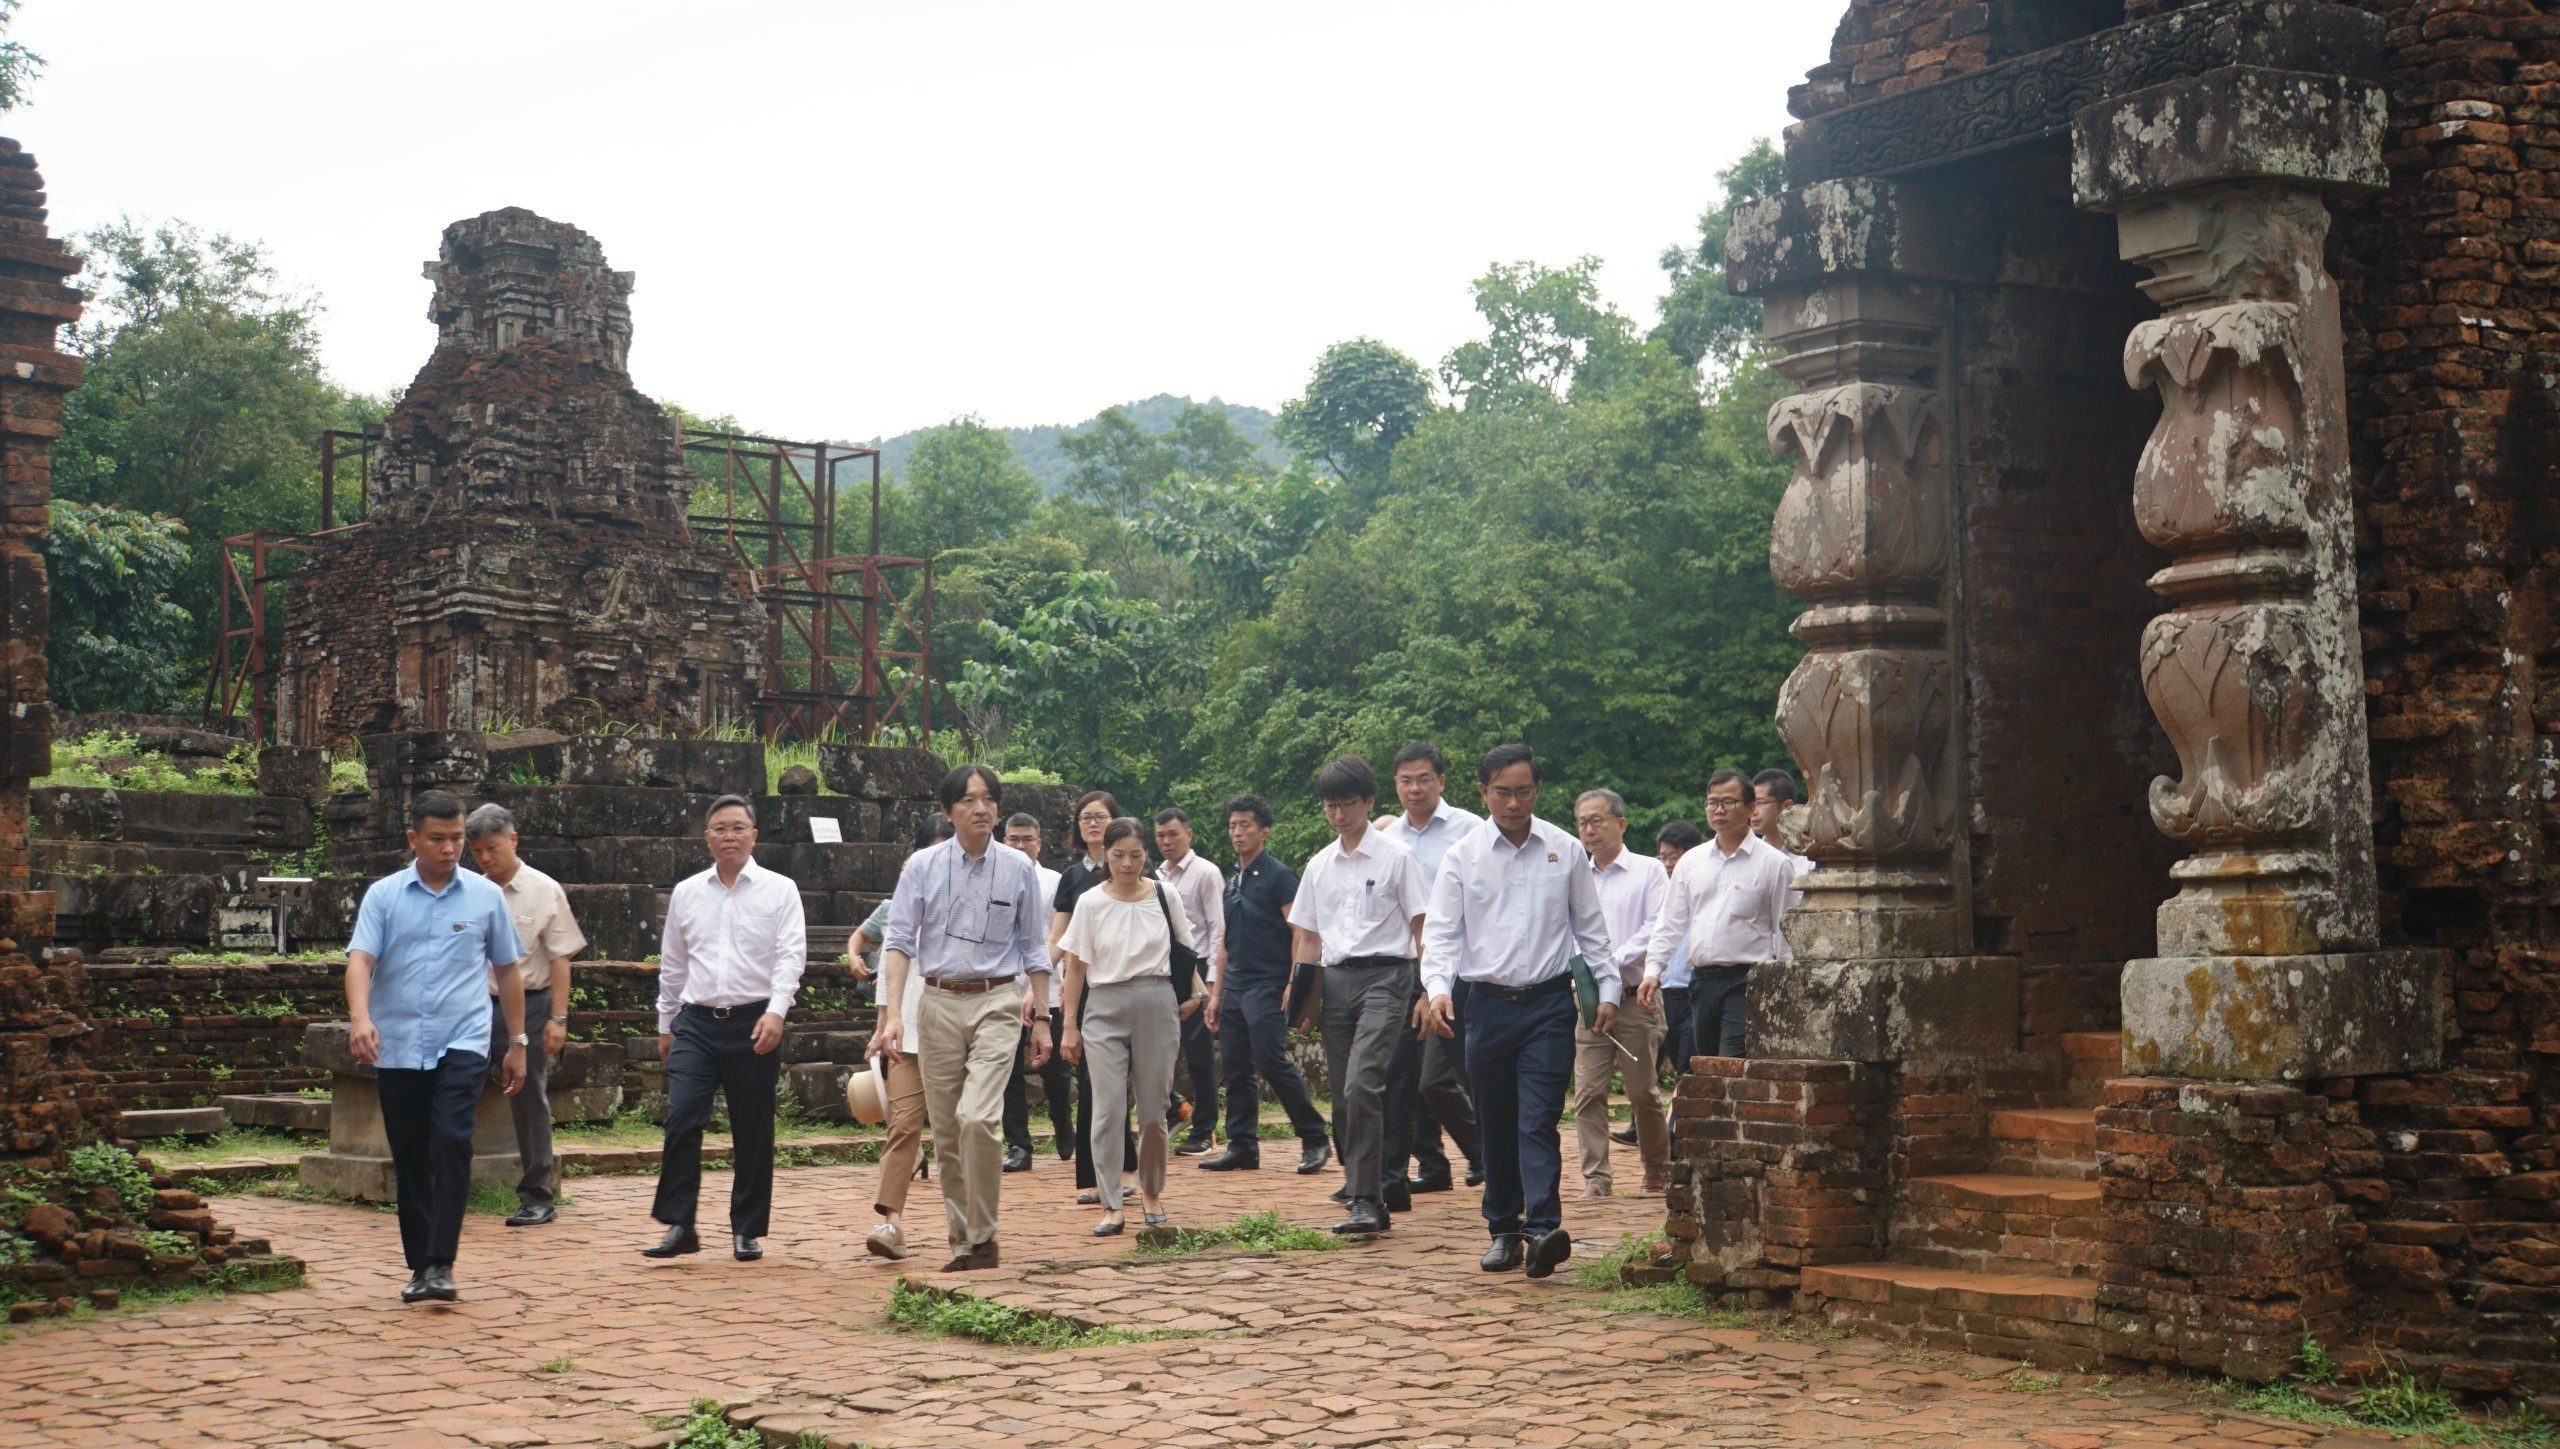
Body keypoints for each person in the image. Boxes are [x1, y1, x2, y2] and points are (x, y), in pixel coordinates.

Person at [1419, 744, 1613, 1280]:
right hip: (1485, 1006)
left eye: (1523, 791)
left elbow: (1591, 931)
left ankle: (1543, 1229)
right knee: (1497, 1120)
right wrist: (1437, 988)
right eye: (1501, 792)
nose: (1513, 802)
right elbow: (1441, 935)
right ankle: (1503, 1228)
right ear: (1482, 793)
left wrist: (1609, 991)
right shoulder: (1463, 856)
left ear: (1537, 792)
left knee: (1538, 1117)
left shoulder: (1566, 850)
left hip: (1549, 1003)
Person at [345, 790, 528, 1304]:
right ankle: (420, 1263)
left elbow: (508, 969)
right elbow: (361, 959)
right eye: (437, 839)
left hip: (463, 1036)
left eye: (456, 839)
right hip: (398, 1043)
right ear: (413, 839)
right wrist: (360, 1018)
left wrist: (517, 1041)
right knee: (410, 1155)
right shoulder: (384, 895)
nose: (450, 849)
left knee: (450, 1138)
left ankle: (442, 1261)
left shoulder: (484, 896)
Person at [876, 765, 1052, 1272]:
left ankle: (985, 1231)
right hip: (936, 1002)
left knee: (978, 1116)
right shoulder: (922, 866)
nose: (981, 808)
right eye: (970, 800)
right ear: (949, 809)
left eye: (989, 799)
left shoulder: (1018, 869)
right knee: (949, 1130)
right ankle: (966, 1243)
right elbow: (899, 942)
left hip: (997, 1001)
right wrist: (891, 1015)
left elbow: (1033, 946)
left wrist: (1040, 1017)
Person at [645, 795, 807, 1264]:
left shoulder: (780, 890)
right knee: (682, 1118)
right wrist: (665, 1022)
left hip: (754, 1020)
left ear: (754, 835)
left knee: (752, 1127)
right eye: (719, 828)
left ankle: (747, 1229)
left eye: (738, 828)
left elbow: (790, 956)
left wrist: (776, 1012)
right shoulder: (687, 892)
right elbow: (673, 963)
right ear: (707, 836)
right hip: (695, 1021)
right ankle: (681, 1224)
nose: (729, 836)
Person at [1291, 756, 1429, 1234]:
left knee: (1362, 1082)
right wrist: (1301, 999)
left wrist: (1429, 990)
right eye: (1330, 806)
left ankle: (1366, 1199)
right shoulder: (1319, 864)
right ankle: (1366, 1187)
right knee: (1345, 1096)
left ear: (1369, 802)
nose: (1339, 814)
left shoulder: (1396, 857)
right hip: (1335, 981)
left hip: (1389, 977)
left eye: (1348, 804)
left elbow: (1421, 928)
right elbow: (1309, 940)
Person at [1056, 817, 1194, 1235]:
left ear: (1146, 854)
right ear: (1106, 855)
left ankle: (1151, 1192)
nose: (1128, 864)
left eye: (1136, 855)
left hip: (1156, 1001)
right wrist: (1069, 1026)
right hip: (1104, 1005)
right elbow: (1075, 966)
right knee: (1107, 1109)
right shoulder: (1091, 902)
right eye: (1118, 856)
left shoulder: (1164, 894)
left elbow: (1184, 948)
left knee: (1153, 1110)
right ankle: (1111, 1201)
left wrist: (1196, 993)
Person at [462, 803, 587, 1228]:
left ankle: (537, 1194)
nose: (484, 859)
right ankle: (450, 1183)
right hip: (476, 1005)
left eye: (492, 848)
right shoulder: (469, 890)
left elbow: (560, 958)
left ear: (513, 840)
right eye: (476, 850)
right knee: (456, 1087)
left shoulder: (543, 889)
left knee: (529, 1097)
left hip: (531, 1004)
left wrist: (559, 1017)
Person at [1197, 795, 1332, 1175]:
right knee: (1236, 1065)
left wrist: (1294, 982)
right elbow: (1224, 941)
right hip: (1236, 984)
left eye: (1246, 825)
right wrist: (1216, 993)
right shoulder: (1231, 883)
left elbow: (1298, 931)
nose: (1238, 832)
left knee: (1271, 1059)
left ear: (1264, 831)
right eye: (1233, 826)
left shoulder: (1279, 876)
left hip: (1268, 983)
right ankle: (1242, 1145)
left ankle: (1314, 1136)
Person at [1375, 741, 1485, 1193]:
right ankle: (1434, 1166)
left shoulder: (1470, 829)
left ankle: (1487, 1154)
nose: (1414, 788)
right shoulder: (1386, 840)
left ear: (1441, 781)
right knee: (1404, 1076)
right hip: (1404, 971)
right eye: (1405, 780)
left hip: (1463, 973)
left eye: (1424, 779)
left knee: (1444, 1077)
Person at [1639, 771, 1797, 1064]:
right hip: (1702, 981)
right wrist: (1652, 971)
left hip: (1747, 980)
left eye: (1728, 802)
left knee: (1731, 1064)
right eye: (1712, 803)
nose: (1719, 810)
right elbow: (1671, 922)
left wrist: (1786, 987)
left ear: (1751, 808)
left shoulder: (1774, 864)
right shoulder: (1691, 862)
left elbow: (1785, 929)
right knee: (1707, 1066)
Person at [859, 814, 953, 1261]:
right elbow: (888, 974)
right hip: (908, 1033)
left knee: (963, 1129)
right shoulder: (904, 903)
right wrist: (883, 1024)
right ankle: (891, 1222)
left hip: (957, 1031)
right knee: (903, 1127)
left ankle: (970, 1223)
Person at [1569, 789, 1670, 1197]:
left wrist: (1608, 963)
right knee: (1588, 1092)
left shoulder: (1648, 871)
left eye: (1597, 820)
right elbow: (1568, 932)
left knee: (1641, 1091)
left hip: (1635, 998)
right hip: (1589, 1002)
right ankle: (1596, 1177)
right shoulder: (1576, 875)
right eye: (1582, 823)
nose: (1590, 830)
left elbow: (1656, 927)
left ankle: (1656, 1167)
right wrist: (1589, 971)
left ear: (1621, 823)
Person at [1050, 790, 1135, 1205]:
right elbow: (1060, 940)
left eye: (1100, 817)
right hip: (1086, 990)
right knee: (1092, 1084)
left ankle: (1129, 1169)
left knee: (1122, 1085)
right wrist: (1038, 976)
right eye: (1085, 818)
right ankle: (1095, 1177)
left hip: (1127, 986)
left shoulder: (1132, 868)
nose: (1092, 824)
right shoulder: (1072, 877)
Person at [1001, 812, 1070, 1173]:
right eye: (1013, 839)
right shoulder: (994, 877)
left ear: (1039, 843)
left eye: (1028, 839)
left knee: (1055, 1069)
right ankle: (1019, 1145)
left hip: (1048, 989)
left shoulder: (1055, 881)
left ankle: (1062, 1118)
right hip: (1004, 989)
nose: (1020, 845)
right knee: (1007, 1071)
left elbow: (1057, 936)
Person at [1153, 808, 1224, 1157]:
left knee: (1198, 1055)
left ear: (1189, 834)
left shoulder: (1206, 873)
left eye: (1173, 834)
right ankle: (1176, 1109)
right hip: (1164, 971)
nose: (1167, 841)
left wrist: (1211, 985)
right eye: (1161, 835)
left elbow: (1218, 929)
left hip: (1199, 969)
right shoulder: (1156, 876)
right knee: (1157, 1051)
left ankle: (1206, 1129)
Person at [1650, 820, 1707, 1080]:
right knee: (1660, 1062)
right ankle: (1643, 1122)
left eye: (1675, 857)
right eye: (1663, 857)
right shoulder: (1656, 890)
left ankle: (1679, 1121)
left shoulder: (1705, 888)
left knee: (1688, 1066)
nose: (1669, 864)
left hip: (1694, 992)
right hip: (1663, 995)